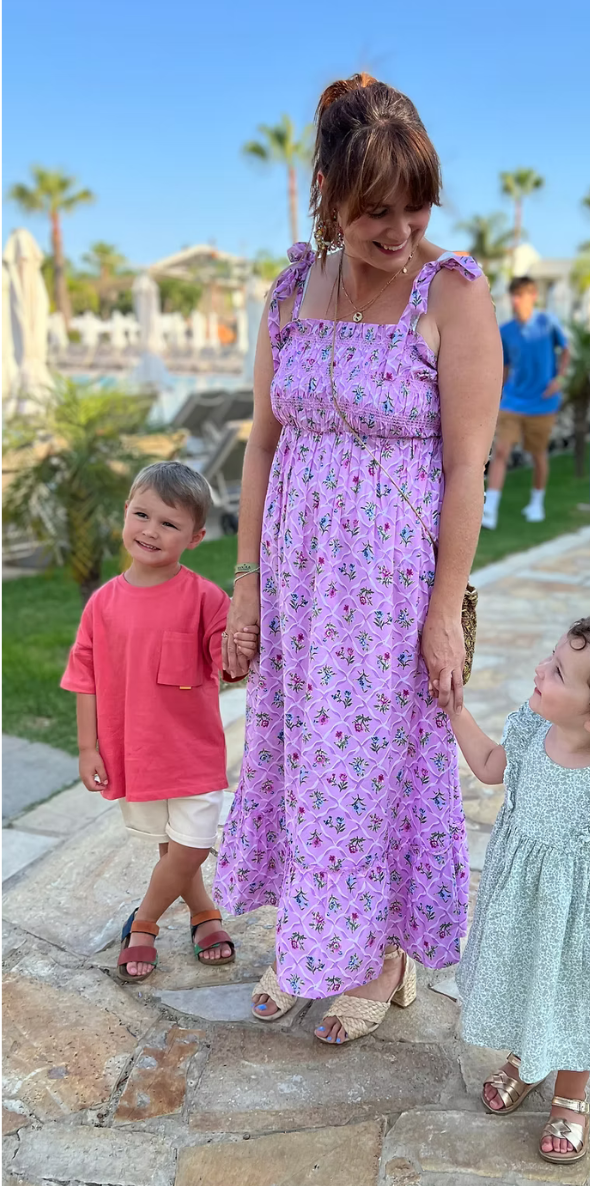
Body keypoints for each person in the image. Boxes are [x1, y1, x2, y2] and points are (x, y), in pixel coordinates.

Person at [217, 72, 502, 1044]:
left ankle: (382, 953)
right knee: (308, 760)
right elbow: (263, 442)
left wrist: (442, 607)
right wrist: (247, 586)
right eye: (374, 209)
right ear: (328, 200)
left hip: (389, 590)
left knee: (377, 768)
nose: (400, 228)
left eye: (415, 202)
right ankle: (316, 934)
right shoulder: (292, 289)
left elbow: (467, 465)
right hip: (298, 583)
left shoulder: (452, 292)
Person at [445, 614, 590, 1165]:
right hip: (521, 905)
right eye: (550, 660)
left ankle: (571, 1098)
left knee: (574, 1000)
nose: (539, 670)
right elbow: (486, 765)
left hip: (583, 920)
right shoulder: (530, 730)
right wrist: (455, 710)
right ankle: (525, 1060)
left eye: (556, 671)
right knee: (525, 979)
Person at [61, 461, 258, 980]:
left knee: (193, 843)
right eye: (142, 515)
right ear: (125, 512)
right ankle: (203, 913)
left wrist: (238, 647)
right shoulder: (101, 605)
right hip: (136, 752)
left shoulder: (205, 598)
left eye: (168, 524)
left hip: (192, 752)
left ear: (194, 537)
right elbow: (85, 679)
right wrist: (88, 748)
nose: (150, 530)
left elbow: (226, 661)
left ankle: (143, 922)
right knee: (173, 846)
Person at [482, 276, 569, 530]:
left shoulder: (548, 323)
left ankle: (536, 503)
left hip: (543, 403)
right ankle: (491, 509)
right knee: (501, 451)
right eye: (513, 296)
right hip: (512, 401)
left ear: (533, 297)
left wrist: (560, 378)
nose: (515, 301)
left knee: (538, 454)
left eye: (520, 295)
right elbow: (505, 365)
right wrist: (496, 393)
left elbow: (566, 351)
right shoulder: (506, 331)